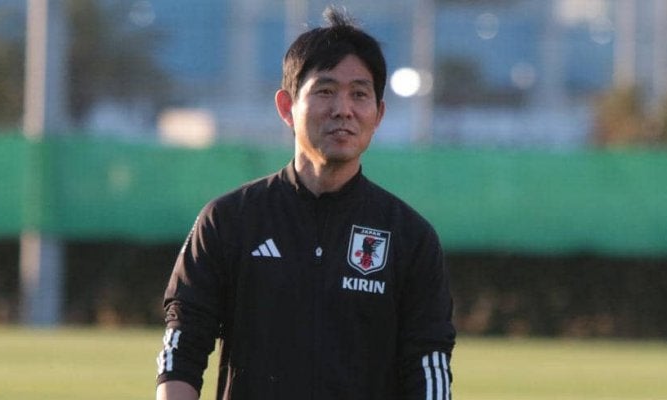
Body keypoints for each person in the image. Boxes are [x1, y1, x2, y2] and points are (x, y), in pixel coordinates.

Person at [155, 7, 456, 400]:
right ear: (287, 107)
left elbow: (429, 362)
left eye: (359, 94)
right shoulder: (229, 220)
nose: (343, 109)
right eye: (325, 91)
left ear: (378, 114)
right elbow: (183, 347)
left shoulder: (409, 236)